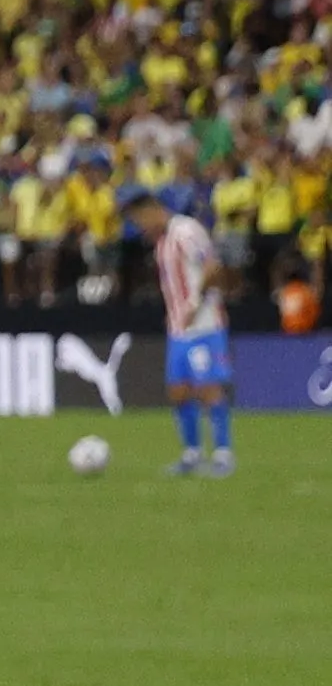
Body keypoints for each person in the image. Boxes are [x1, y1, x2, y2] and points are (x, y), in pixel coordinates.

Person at [136, 188, 234, 475]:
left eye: (141, 219)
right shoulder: (161, 242)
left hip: (203, 324)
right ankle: (192, 454)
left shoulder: (186, 231)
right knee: (178, 390)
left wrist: (194, 302)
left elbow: (212, 266)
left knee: (207, 387)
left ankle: (223, 454)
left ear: (154, 210)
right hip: (178, 329)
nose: (141, 227)